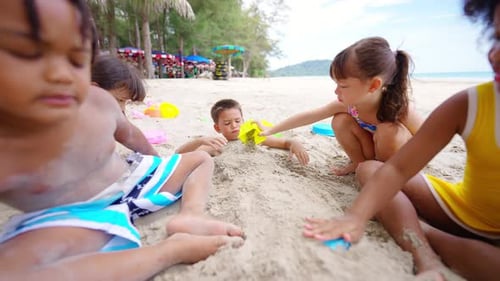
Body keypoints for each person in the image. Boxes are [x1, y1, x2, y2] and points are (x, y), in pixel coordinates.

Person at [0, 1, 244, 280]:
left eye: (76, 58)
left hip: (134, 178)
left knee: (199, 159)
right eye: (27, 53)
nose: (60, 73)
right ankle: (169, 251)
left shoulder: (99, 103)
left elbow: (132, 136)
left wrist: (161, 162)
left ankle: (190, 214)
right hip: (76, 215)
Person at [302, 1, 500, 280]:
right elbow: (396, 168)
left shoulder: (399, 108)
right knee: (369, 168)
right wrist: (356, 216)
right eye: (496, 37)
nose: (494, 54)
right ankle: (424, 253)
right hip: (458, 208)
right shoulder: (469, 104)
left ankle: (422, 230)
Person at [261, 37, 423, 175]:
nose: (336, 91)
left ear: (373, 85)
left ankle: (385, 174)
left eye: (343, 86)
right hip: (372, 154)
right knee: (339, 121)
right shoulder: (347, 106)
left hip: (398, 160)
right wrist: (271, 131)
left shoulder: (399, 108)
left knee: (388, 130)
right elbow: (309, 116)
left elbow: (427, 138)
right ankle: (359, 165)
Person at [175, 99, 310, 165]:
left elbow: (285, 142)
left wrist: (295, 144)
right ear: (217, 128)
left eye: (238, 121)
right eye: (227, 123)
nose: (234, 126)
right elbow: (179, 154)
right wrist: (199, 140)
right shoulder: (215, 144)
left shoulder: (252, 137)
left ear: (243, 120)